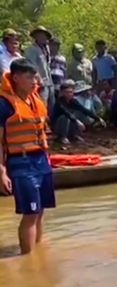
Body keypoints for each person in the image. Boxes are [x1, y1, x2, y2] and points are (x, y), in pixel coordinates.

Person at [0, 59, 56, 255]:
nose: (34, 81)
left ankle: (39, 255)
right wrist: (2, 171)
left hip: (41, 159)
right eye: (29, 77)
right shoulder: (4, 104)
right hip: (20, 161)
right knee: (30, 213)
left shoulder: (35, 100)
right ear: (16, 78)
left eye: (35, 76)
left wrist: (47, 159)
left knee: (40, 211)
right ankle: (28, 259)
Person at [22, 26, 54, 117]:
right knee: (41, 104)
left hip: (49, 81)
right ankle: (41, 125)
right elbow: (32, 66)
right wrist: (39, 80)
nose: (42, 37)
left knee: (51, 105)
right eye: (40, 35)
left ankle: (48, 125)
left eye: (44, 35)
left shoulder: (46, 49)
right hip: (40, 83)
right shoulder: (31, 50)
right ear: (35, 36)